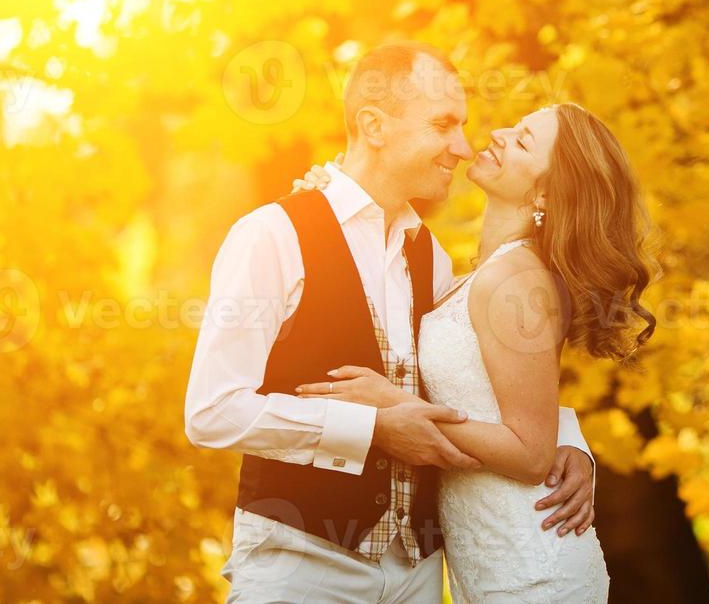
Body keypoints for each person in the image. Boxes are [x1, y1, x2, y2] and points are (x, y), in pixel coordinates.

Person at [185, 43, 601, 602]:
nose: (463, 145)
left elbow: (473, 377)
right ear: (374, 126)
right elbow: (211, 413)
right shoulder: (272, 234)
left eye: (463, 127)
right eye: (442, 125)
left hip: (420, 570)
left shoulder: (430, 258)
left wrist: (568, 444)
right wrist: (371, 429)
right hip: (303, 565)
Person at [294, 99, 655, 602]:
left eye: (524, 140)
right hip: (484, 567)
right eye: (516, 124)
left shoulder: (516, 279)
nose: (500, 134)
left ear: (548, 191)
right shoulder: (467, 274)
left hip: (531, 569)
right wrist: (327, 201)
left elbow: (530, 455)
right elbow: (502, 399)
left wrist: (395, 405)